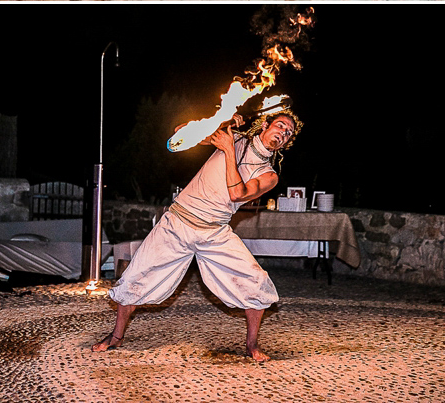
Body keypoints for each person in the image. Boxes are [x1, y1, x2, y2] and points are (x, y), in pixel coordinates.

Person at [92, 109, 301, 361]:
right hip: (176, 222)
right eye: (280, 126)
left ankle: (252, 345)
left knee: (255, 282)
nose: (283, 133)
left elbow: (236, 194)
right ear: (265, 125)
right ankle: (116, 336)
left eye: (288, 133)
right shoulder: (233, 138)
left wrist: (228, 151)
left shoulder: (268, 175)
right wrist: (222, 123)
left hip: (214, 232)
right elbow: (182, 134)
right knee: (136, 277)